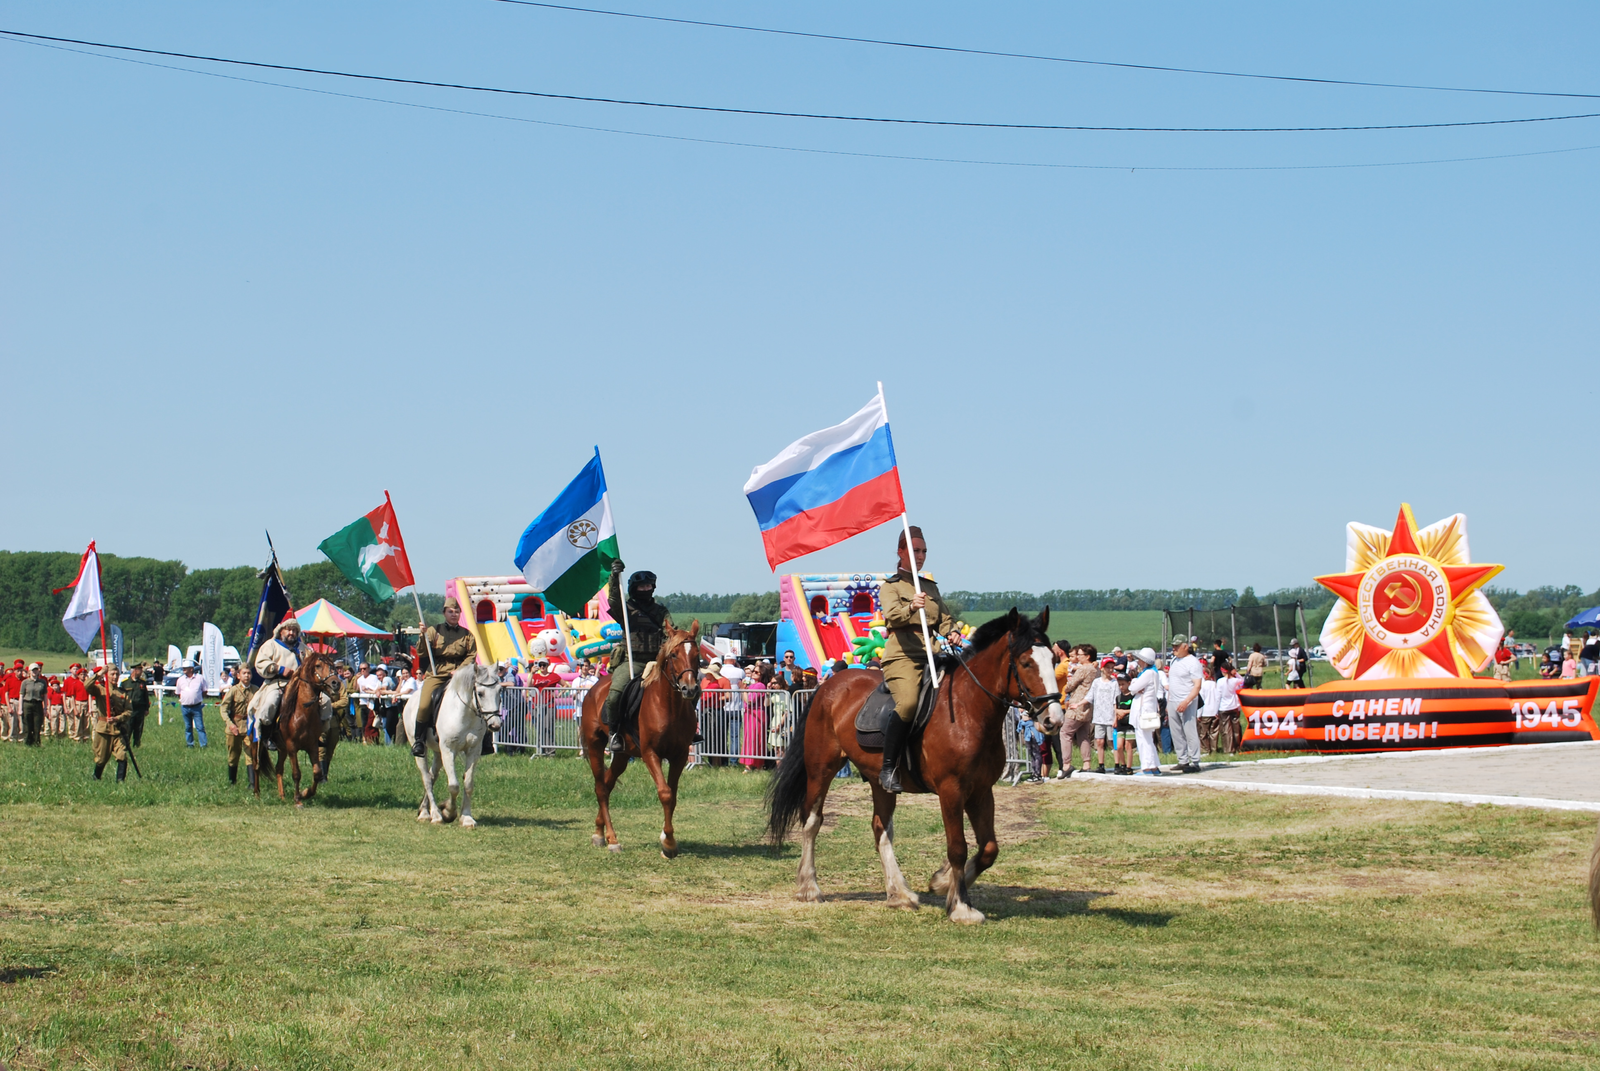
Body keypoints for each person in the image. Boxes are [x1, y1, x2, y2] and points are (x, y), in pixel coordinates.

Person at [877, 526, 957, 794]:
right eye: (914, 550)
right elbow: (892, 616)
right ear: (900, 552)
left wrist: (953, 632)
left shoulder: (930, 587)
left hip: (933, 653)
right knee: (909, 703)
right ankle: (888, 768)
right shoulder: (890, 587)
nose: (920, 556)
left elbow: (943, 619)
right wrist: (911, 606)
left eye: (923, 551)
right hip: (903, 655)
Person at [600, 562, 674, 751]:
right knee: (615, 694)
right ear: (634, 588)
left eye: (648, 586)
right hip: (632, 662)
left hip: (656, 662)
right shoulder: (626, 610)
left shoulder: (661, 611)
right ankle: (614, 733)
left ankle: (687, 729)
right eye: (642, 586)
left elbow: (670, 631)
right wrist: (614, 578)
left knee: (687, 688)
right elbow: (614, 600)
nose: (645, 589)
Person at [412, 598, 477, 757]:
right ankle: (419, 741)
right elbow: (421, 652)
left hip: (460, 675)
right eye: (450, 612)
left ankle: (484, 738)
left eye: (456, 612)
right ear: (444, 613)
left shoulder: (467, 635)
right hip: (438, 673)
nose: (454, 614)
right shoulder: (434, 630)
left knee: (479, 698)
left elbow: (471, 655)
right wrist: (423, 635)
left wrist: (460, 670)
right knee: (424, 704)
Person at [253, 618, 314, 734]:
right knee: (270, 704)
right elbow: (260, 662)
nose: (291, 633)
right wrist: (279, 669)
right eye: (288, 630)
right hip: (277, 684)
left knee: (323, 702)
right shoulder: (271, 645)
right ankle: (267, 734)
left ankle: (318, 733)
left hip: (300, 685)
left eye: (294, 630)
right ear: (281, 631)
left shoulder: (303, 648)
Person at [1057, 642, 1097, 778]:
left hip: (1076, 704)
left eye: (1080, 655)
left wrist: (1068, 684)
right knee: (1083, 735)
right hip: (1087, 706)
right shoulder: (1094, 670)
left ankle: (1066, 764)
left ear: (1087, 656)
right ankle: (1087, 764)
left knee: (1065, 733)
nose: (1078, 657)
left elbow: (1070, 686)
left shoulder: (1083, 669)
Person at [1165, 638, 1204, 773]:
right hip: (1173, 700)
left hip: (1187, 700)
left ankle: (1195, 761)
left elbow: (1197, 685)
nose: (1174, 649)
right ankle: (1182, 760)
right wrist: (1169, 700)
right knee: (1176, 732)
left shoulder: (1193, 662)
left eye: (1176, 646)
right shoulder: (1174, 660)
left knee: (1189, 731)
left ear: (1185, 646)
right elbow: (1173, 682)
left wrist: (1186, 701)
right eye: (1173, 646)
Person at [87, 670, 131, 781]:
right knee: (101, 759)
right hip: (104, 729)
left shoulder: (123, 693)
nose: (115, 677)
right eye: (112, 674)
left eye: (117, 674)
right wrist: (99, 674)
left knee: (122, 755)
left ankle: (120, 781)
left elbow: (129, 711)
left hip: (118, 729)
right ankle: (96, 778)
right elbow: (87, 685)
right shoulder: (100, 690)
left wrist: (117, 718)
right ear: (107, 675)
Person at [1127, 648, 1164, 776]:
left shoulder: (1147, 674)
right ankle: (1153, 765)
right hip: (1148, 708)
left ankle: (1147, 767)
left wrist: (1134, 682)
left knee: (1143, 739)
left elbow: (1132, 688)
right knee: (1147, 738)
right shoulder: (1154, 673)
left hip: (1142, 710)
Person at [219, 667, 256, 784]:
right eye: (244, 673)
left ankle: (252, 784)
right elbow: (223, 708)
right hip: (235, 726)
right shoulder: (234, 690)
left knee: (251, 754)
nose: (247, 675)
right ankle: (232, 781)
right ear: (238, 676)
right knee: (233, 755)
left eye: (249, 673)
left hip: (249, 726)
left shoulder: (256, 690)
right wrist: (230, 724)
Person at [1084, 657, 1120, 773]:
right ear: (1102, 669)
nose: (1110, 670)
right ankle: (1101, 764)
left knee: (1112, 741)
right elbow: (1090, 696)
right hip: (1099, 716)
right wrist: (1078, 704)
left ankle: (1117, 764)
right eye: (1107, 667)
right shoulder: (1097, 682)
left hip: (1110, 716)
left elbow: (1116, 701)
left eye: (1112, 668)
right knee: (1099, 741)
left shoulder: (1114, 683)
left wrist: (1115, 717)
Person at [174, 660, 208, 747]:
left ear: (191, 669)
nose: (184, 670)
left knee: (200, 726)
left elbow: (204, 690)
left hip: (196, 707)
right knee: (188, 727)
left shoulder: (200, 678)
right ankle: (190, 744)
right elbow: (178, 693)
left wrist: (197, 698)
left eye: (185, 668)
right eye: (183, 668)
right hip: (185, 707)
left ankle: (203, 744)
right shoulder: (180, 680)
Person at [1213, 662, 1246, 753]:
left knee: (1226, 730)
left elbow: (1218, 697)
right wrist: (1236, 674)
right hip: (1235, 706)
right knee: (1236, 728)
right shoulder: (1235, 681)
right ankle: (1237, 747)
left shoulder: (1220, 681)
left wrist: (1216, 711)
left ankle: (1228, 749)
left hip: (1224, 707)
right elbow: (1243, 680)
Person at [119, 662, 152, 747]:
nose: (141, 672)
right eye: (139, 670)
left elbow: (145, 696)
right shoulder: (125, 683)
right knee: (128, 728)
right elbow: (121, 696)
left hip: (140, 710)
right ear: (134, 670)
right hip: (129, 710)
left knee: (139, 728)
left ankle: (137, 744)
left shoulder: (142, 683)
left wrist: (146, 708)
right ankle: (126, 745)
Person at [19, 662, 48, 746]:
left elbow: (45, 695)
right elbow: (21, 695)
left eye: (36, 670)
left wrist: (45, 707)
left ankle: (37, 742)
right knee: (28, 724)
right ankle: (28, 742)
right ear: (29, 672)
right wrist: (20, 708)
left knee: (37, 724)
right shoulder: (25, 682)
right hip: (27, 704)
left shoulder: (42, 682)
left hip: (38, 704)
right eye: (33, 670)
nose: (35, 672)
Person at [63, 664, 90, 741]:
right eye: (74, 669)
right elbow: (68, 694)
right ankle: (74, 735)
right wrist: (67, 706)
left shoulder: (85, 683)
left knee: (86, 721)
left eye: (77, 669)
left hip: (85, 702)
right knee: (73, 720)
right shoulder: (70, 681)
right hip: (75, 702)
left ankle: (85, 736)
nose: (83, 676)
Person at [46, 674, 65, 738]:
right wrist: (48, 711)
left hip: (60, 707)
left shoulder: (61, 692)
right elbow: (49, 701)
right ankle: (54, 734)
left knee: (62, 721)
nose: (55, 687)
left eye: (56, 686)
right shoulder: (50, 693)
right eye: (53, 686)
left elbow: (64, 700)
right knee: (54, 721)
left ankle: (61, 734)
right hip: (53, 707)